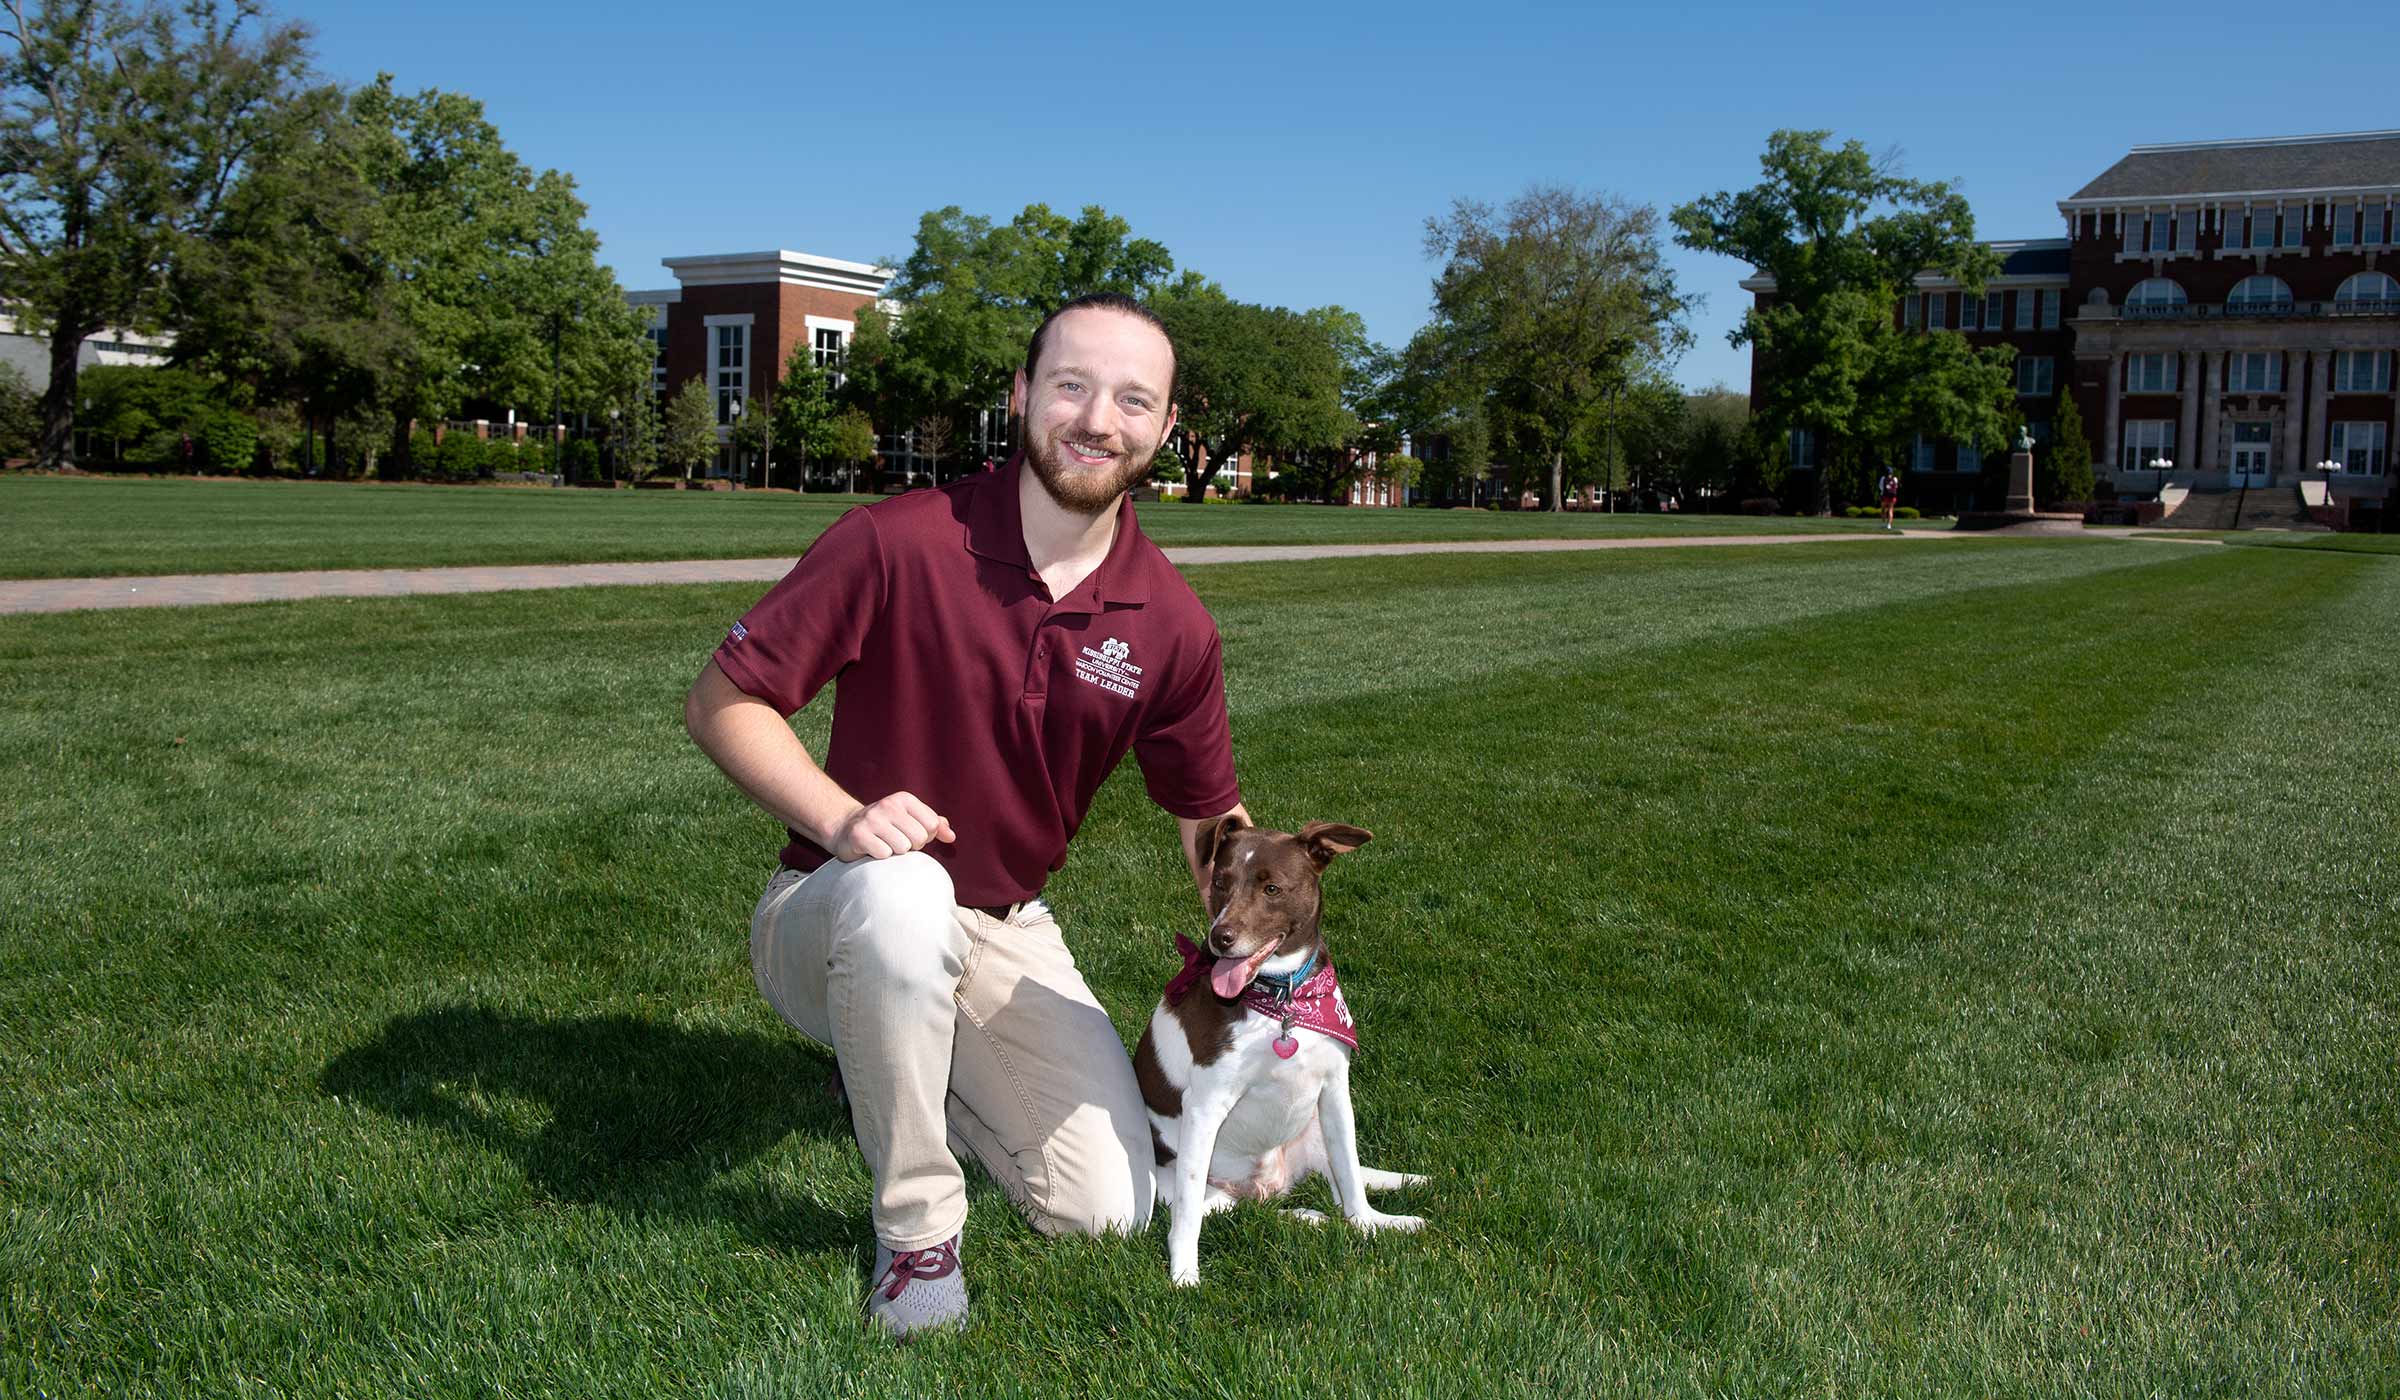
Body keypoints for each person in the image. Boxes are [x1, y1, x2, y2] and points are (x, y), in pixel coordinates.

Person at [683, 293, 1247, 1338]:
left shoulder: (1171, 621)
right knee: (904, 891)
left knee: (1105, 1209)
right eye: (1072, 385)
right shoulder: (895, 541)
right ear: (1023, 394)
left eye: (1134, 399)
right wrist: (844, 817)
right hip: (837, 901)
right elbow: (723, 699)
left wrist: (1273, 953)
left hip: (1005, 925)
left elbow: (1209, 815)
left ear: (1166, 430)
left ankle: (898, 1062)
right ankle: (916, 1237)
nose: (1098, 419)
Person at [1879, 467, 1901, 531]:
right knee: (1890, 510)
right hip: (1892, 497)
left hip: (1884, 496)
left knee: (1883, 508)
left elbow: (1880, 487)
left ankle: (1883, 521)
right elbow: (1896, 487)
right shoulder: (1895, 478)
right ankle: (1889, 525)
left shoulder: (1883, 478)